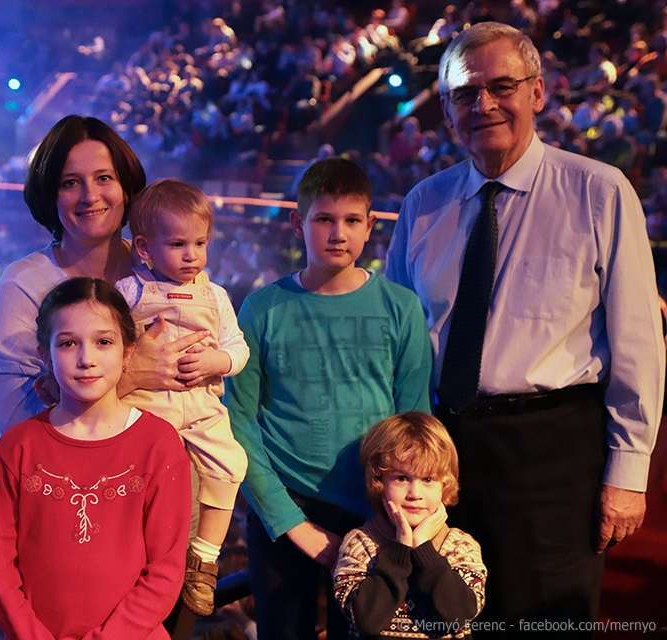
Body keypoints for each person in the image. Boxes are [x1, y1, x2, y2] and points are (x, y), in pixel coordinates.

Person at [385, 21, 665, 635]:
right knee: (441, 623)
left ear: (538, 92)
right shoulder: (422, 204)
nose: (483, 104)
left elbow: (638, 343)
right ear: (447, 107)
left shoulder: (598, 191)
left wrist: (628, 473)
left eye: (501, 86)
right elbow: (399, 340)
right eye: (464, 93)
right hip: (442, 452)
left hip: (552, 453)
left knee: (547, 623)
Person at [225, 157, 433, 640]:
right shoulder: (261, 307)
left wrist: (389, 515)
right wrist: (290, 522)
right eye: (324, 219)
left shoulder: (400, 308)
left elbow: (416, 423)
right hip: (284, 506)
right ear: (299, 223)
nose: (337, 233)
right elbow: (239, 422)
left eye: (351, 220)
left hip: (376, 509)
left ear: (369, 228)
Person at [0, 277, 191, 639]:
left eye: (103, 342)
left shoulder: (159, 445)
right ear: (45, 354)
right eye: (68, 343)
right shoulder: (17, 449)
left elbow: (166, 571)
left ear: (127, 352)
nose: (86, 359)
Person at [0, 115, 206, 434]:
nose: (90, 196)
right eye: (70, 183)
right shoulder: (25, 284)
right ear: (50, 196)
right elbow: (17, 422)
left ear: (127, 188)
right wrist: (131, 376)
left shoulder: (171, 266)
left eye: (104, 178)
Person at [116, 178, 250, 617]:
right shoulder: (129, 292)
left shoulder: (216, 295)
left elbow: (238, 346)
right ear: (144, 248)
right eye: (178, 244)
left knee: (232, 464)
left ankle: (205, 558)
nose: (192, 255)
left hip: (202, 409)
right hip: (146, 408)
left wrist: (218, 363)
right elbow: (108, 343)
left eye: (200, 243)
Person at [333, 412, 486, 638]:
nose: (415, 494)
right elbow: (366, 621)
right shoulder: (359, 545)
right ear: (379, 481)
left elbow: (459, 617)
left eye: (428, 480)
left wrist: (424, 548)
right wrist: (400, 549)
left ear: (444, 485)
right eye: (402, 478)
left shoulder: (461, 547)